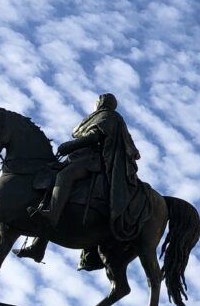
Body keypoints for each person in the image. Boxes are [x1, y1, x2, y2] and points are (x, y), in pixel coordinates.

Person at [37, 93, 148, 242]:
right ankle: (38, 244)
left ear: (101, 103)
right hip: (81, 157)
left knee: (64, 176)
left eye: (97, 101)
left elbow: (94, 137)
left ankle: (53, 213)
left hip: (94, 160)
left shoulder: (107, 116)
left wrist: (70, 145)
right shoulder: (104, 117)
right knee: (50, 182)